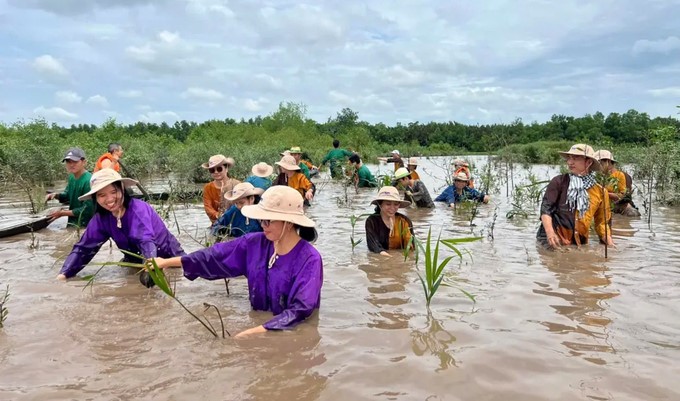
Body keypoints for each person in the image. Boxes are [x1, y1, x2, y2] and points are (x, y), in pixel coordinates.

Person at [152, 185, 323, 338]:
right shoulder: (254, 244)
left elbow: (300, 311)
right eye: (261, 220)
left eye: (268, 220)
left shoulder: (310, 259)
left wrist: (258, 331)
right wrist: (165, 262)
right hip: (261, 325)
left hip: (287, 335)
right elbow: (213, 256)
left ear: (289, 223)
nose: (262, 225)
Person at [57, 169, 185, 286]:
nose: (109, 199)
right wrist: (64, 274)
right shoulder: (101, 219)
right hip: (134, 261)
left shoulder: (138, 210)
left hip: (168, 259)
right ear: (96, 198)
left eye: (114, 192)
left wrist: (150, 268)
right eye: (102, 195)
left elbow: (145, 241)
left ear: (122, 190)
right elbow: (84, 248)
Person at [538, 144, 614, 248]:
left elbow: (602, 224)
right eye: (569, 158)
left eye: (576, 158)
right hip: (553, 238)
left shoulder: (600, 191)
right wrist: (550, 233)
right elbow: (546, 209)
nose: (570, 162)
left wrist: (610, 245)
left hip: (579, 242)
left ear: (589, 162)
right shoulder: (559, 182)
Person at [45, 147, 94, 228]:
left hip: (86, 226)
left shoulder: (89, 181)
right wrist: (56, 195)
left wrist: (63, 213)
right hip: (73, 224)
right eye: (68, 162)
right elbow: (67, 196)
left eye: (75, 161)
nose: (71, 165)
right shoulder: (72, 177)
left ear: (84, 162)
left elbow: (87, 210)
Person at [365, 186, 414, 256]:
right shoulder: (372, 221)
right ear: (380, 204)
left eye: (396, 204)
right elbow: (373, 244)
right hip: (382, 256)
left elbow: (411, 247)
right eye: (388, 204)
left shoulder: (405, 221)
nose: (392, 208)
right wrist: (387, 257)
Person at [595, 150, 641, 217]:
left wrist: (605, 193)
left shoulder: (620, 175)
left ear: (608, 162)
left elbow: (623, 196)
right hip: (601, 205)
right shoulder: (597, 176)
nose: (597, 167)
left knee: (631, 213)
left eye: (600, 163)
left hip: (617, 204)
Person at [202, 155, 241, 223]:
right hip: (217, 223)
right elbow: (208, 208)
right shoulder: (208, 188)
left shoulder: (237, 185)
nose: (216, 172)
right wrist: (218, 215)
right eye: (212, 170)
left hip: (236, 222)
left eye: (219, 169)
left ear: (226, 169)